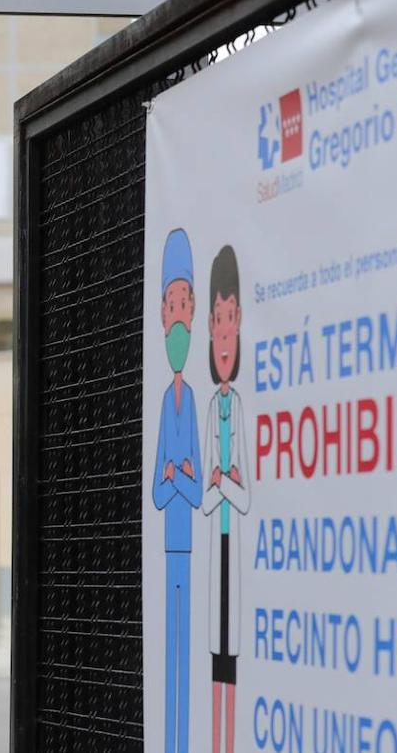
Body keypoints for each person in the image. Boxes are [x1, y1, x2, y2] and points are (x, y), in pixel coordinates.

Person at [151, 229, 203, 753]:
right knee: (172, 657)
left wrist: (180, 477)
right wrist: (177, 480)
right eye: (172, 304)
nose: (180, 315)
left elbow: (196, 487)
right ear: (163, 317)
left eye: (186, 301)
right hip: (171, 545)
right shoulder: (168, 401)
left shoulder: (196, 402)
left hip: (190, 544)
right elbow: (159, 495)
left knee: (188, 652)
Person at [202, 246, 250, 753]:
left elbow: (245, 498)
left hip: (231, 552)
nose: (222, 333)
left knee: (230, 662)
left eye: (230, 319)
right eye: (216, 320)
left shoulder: (235, 408)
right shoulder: (207, 406)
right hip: (216, 551)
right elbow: (204, 500)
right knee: (214, 658)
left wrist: (224, 484)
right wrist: (219, 485)